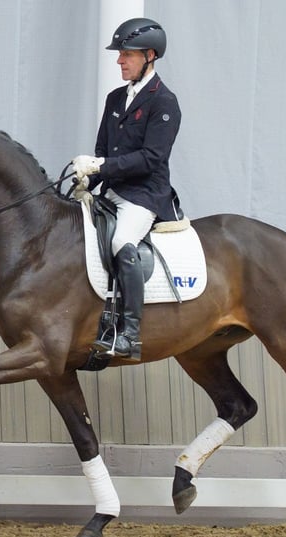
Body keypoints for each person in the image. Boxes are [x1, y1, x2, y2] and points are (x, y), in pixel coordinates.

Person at [73, 17, 182, 361]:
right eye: (120, 54)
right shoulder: (115, 98)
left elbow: (151, 158)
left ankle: (130, 333)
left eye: (127, 54)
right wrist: (87, 180)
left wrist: (102, 166)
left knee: (121, 241)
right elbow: (104, 151)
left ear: (149, 55)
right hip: (112, 193)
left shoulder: (164, 102)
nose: (120, 60)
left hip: (145, 194)